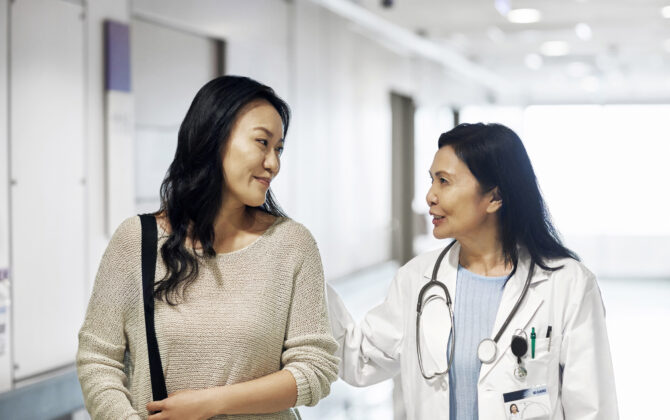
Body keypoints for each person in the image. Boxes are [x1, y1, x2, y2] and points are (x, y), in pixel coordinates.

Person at [77, 75, 338, 420]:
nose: (273, 163)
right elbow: (99, 360)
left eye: (279, 149)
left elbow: (315, 367)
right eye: (263, 142)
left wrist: (212, 403)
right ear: (214, 137)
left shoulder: (292, 245)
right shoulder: (137, 241)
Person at [328, 123, 619, 419]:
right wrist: (305, 271)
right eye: (432, 180)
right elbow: (358, 359)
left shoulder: (568, 284)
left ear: (494, 197)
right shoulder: (417, 279)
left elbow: (593, 410)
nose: (430, 196)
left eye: (444, 181)